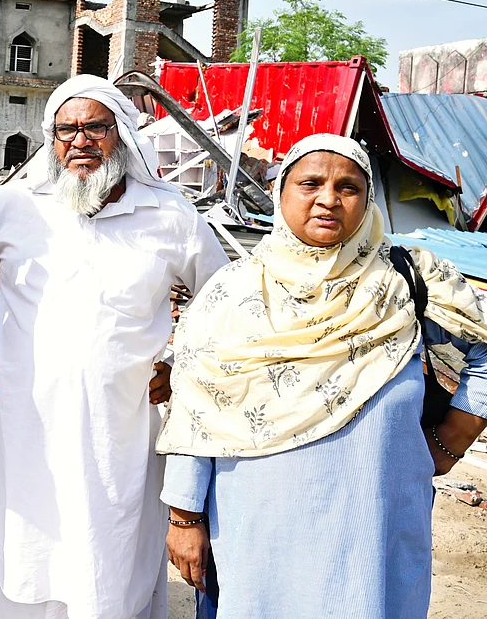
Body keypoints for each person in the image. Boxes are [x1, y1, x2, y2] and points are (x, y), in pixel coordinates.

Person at [158, 133, 487, 618]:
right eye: (310, 183)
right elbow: (195, 407)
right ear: (280, 193)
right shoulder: (232, 294)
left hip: (376, 521)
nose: (328, 199)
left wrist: (454, 437)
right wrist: (185, 517)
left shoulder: (406, 280)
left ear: (368, 199)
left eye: (348, 187)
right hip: (259, 526)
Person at [0, 74, 229, 619]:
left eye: (95, 126)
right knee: (26, 546)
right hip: (28, 422)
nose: (80, 141)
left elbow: (223, 298)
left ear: (121, 134)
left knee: (110, 556)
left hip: (118, 431)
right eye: (65, 129)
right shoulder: (17, 203)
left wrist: (177, 362)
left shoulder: (169, 214)